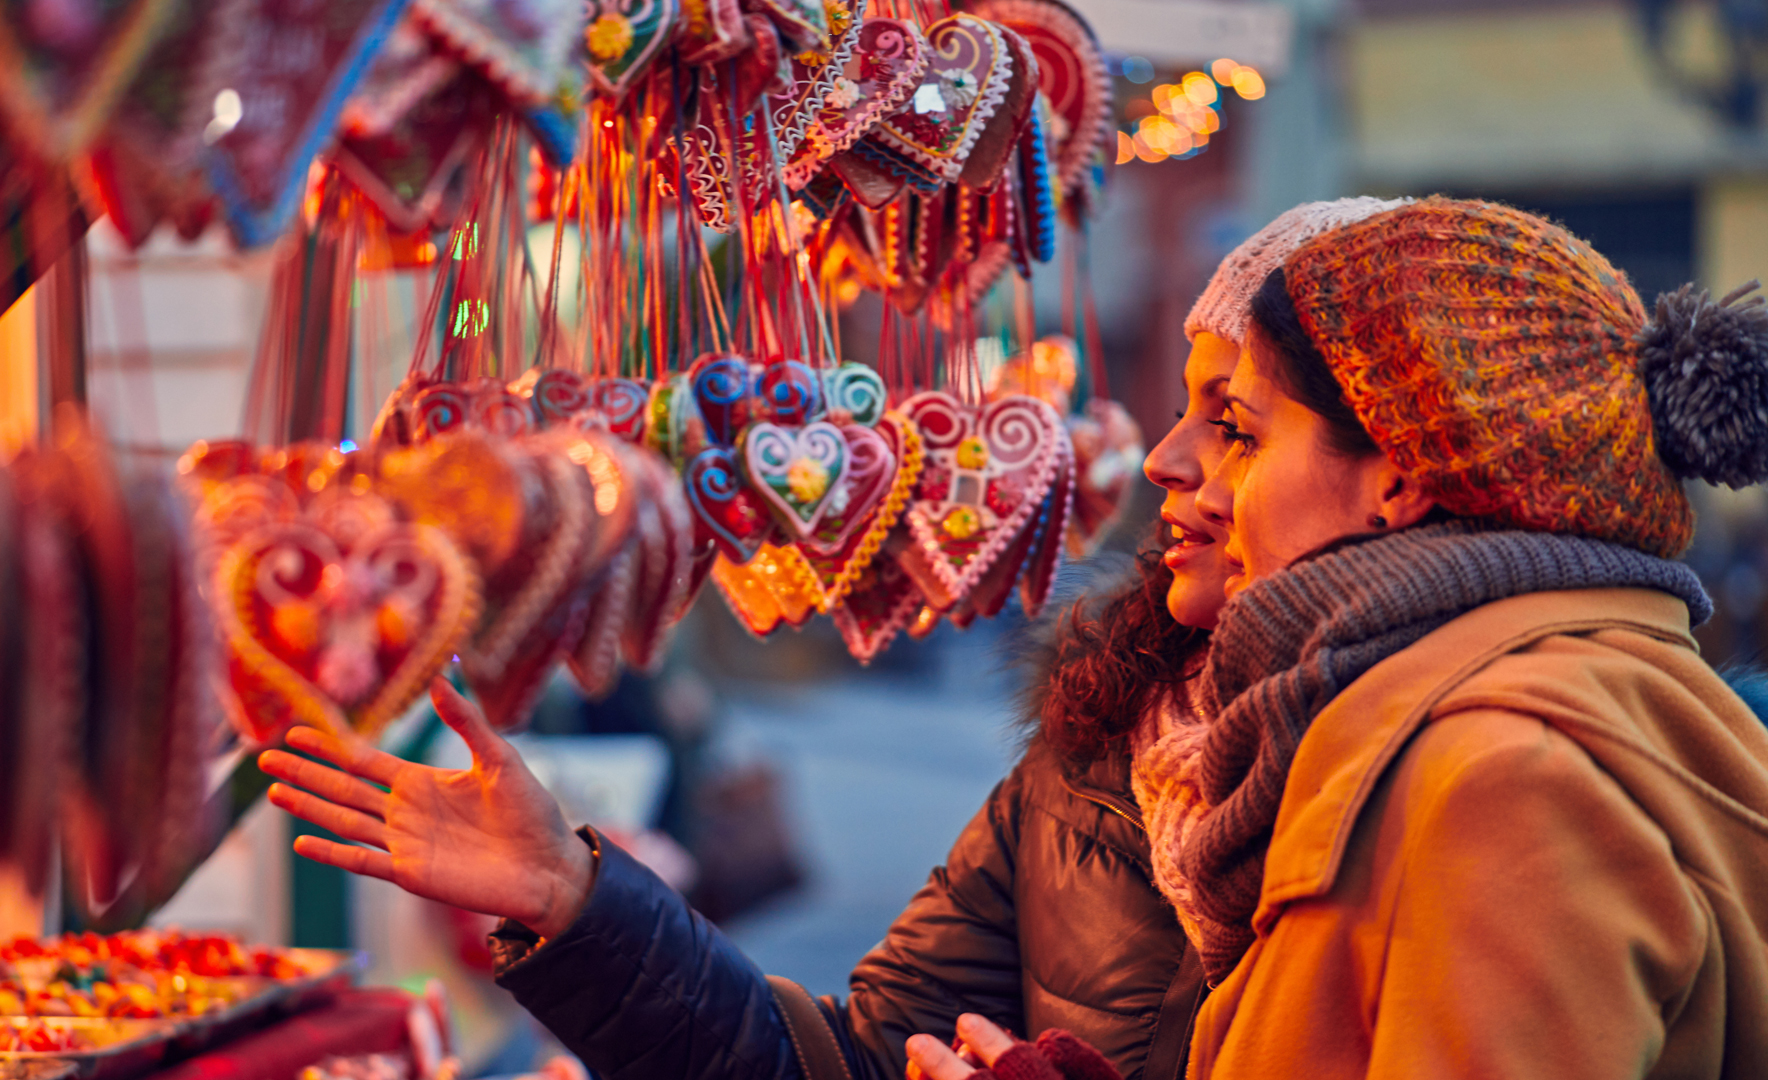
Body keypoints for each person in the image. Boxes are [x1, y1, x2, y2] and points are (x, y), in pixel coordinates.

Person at [255, 196, 1412, 1080]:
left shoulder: (1480, 770)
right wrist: (573, 898)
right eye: (1183, 410)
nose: (1168, 461)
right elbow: (845, 1062)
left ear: (1402, 480)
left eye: (1235, 426)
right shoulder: (1103, 747)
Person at [906, 196, 1768, 1080]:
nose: (1190, 471)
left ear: (1399, 476)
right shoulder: (1387, 730)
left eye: (1242, 431)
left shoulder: (1504, 783)